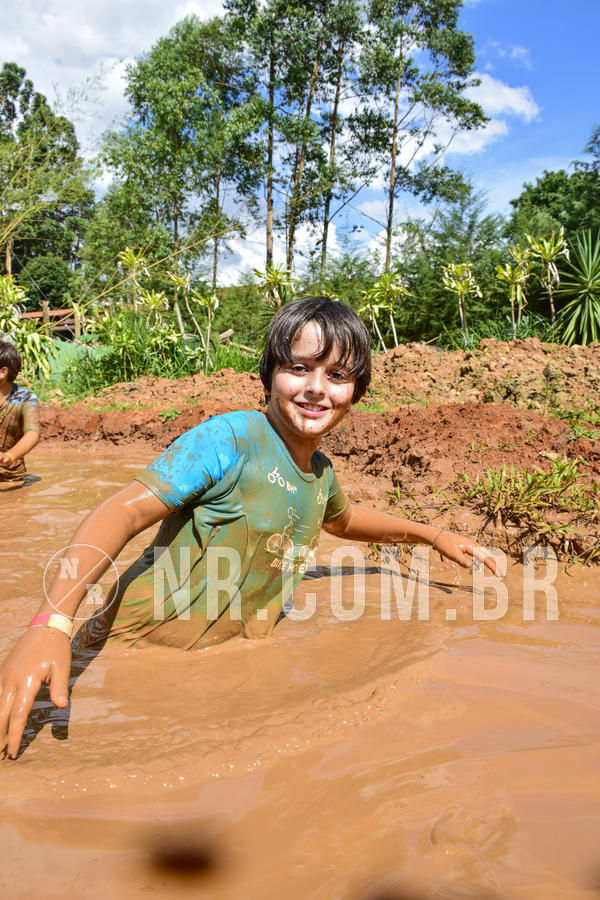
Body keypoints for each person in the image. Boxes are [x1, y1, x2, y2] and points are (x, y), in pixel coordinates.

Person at [0, 297, 501, 757]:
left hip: (212, 672)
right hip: (127, 651)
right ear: (269, 375)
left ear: (357, 391)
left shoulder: (321, 475)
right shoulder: (232, 438)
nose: (315, 388)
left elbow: (346, 522)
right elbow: (123, 512)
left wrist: (433, 535)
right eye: (298, 368)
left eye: (338, 375)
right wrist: (51, 623)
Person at [0, 339, 40, 490]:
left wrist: (9, 456)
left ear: (3, 372)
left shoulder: (27, 399)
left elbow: (32, 434)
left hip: (10, 482)